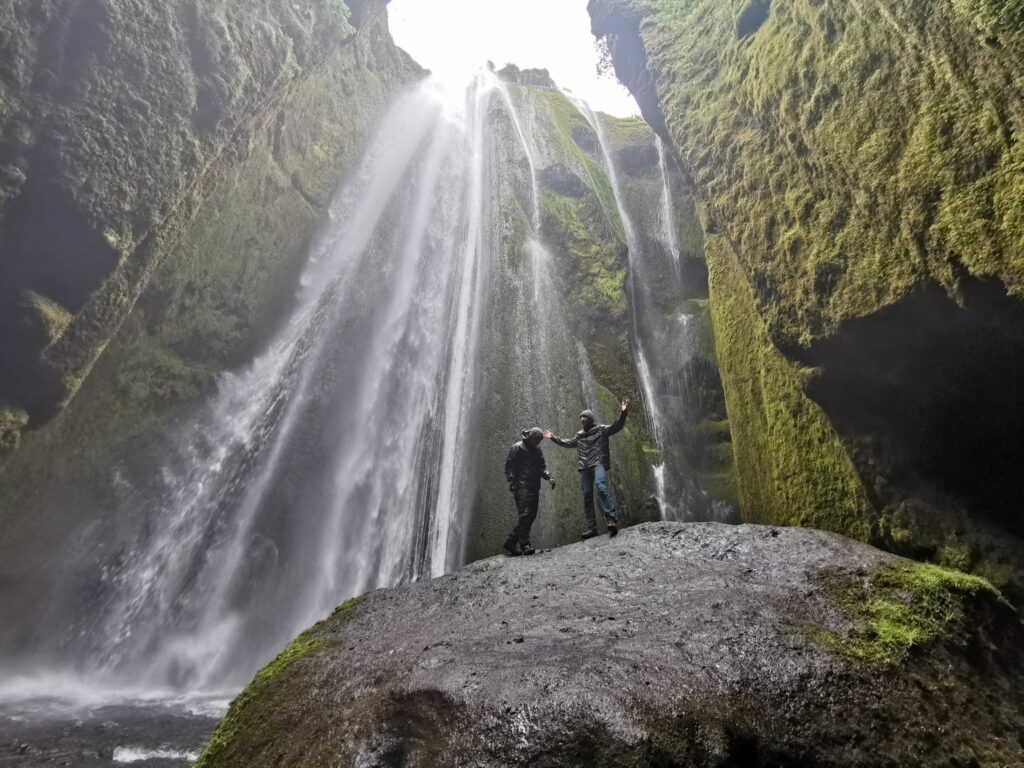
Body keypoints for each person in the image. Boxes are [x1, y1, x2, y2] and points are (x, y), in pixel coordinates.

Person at [545, 399, 630, 539]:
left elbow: (617, 426)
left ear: (590, 419)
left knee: (600, 485)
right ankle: (592, 527)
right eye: (581, 417)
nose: (582, 419)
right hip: (584, 467)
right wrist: (553, 438)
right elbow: (567, 443)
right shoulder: (579, 435)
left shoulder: (601, 429)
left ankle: (611, 520)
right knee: (587, 495)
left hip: (598, 463)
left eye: (584, 416)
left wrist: (623, 413)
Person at [503, 427, 555, 556]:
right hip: (522, 487)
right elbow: (509, 466)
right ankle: (523, 544)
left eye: (540, 440)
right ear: (531, 437)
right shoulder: (517, 447)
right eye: (537, 439)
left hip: (534, 487)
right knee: (525, 515)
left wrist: (549, 477)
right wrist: (512, 481)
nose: (538, 442)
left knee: (530, 516)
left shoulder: (537, 451)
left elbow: (542, 468)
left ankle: (514, 542)